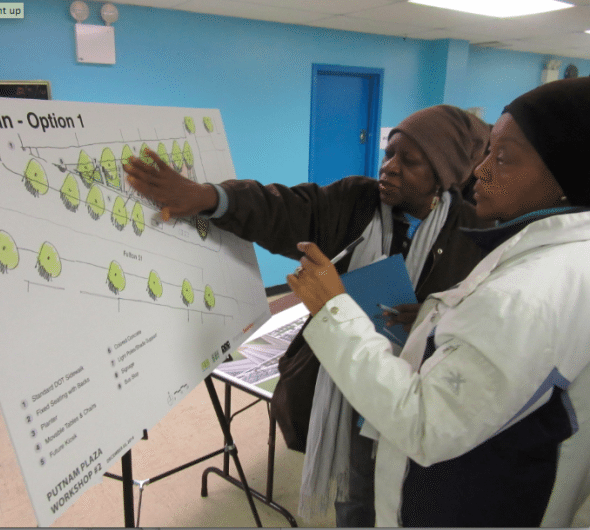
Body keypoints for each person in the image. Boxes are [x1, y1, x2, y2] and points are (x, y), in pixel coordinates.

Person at [125, 104, 491, 525]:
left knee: (411, 499)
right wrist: (208, 197)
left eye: (409, 162)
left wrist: (433, 316)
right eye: (389, 154)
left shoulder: (473, 231)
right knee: (355, 493)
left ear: (442, 174)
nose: (389, 168)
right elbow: (287, 208)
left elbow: (484, 317)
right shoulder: (359, 201)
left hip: (420, 395)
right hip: (350, 389)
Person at [284, 76, 590, 527]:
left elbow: (426, 422)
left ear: (567, 173)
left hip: (464, 500)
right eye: (487, 152)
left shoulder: (525, 295)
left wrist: (333, 310)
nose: (481, 171)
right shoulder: (559, 257)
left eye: (501, 158)